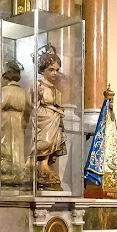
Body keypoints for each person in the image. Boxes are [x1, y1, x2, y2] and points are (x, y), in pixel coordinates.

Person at [28, 45, 66, 189]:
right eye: (51, 69)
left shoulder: (55, 89)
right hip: (43, 117)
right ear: (42, 70)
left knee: (52, 142)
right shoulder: (38, 85)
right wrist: (37, 100)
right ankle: (33, 163)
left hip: (54, 118)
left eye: (57, 70)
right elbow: (31, 103)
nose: (55, 73)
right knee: (45, 140)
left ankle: (44, 163)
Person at [0, 60, 29, 187]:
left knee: (7, 145)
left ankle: (8, 172)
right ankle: (18, 171)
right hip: (19, 120)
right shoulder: (23, 92)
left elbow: (0, 105)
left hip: (7, 119)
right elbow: (28, 110)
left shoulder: (6, 90)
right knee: (17, 146)